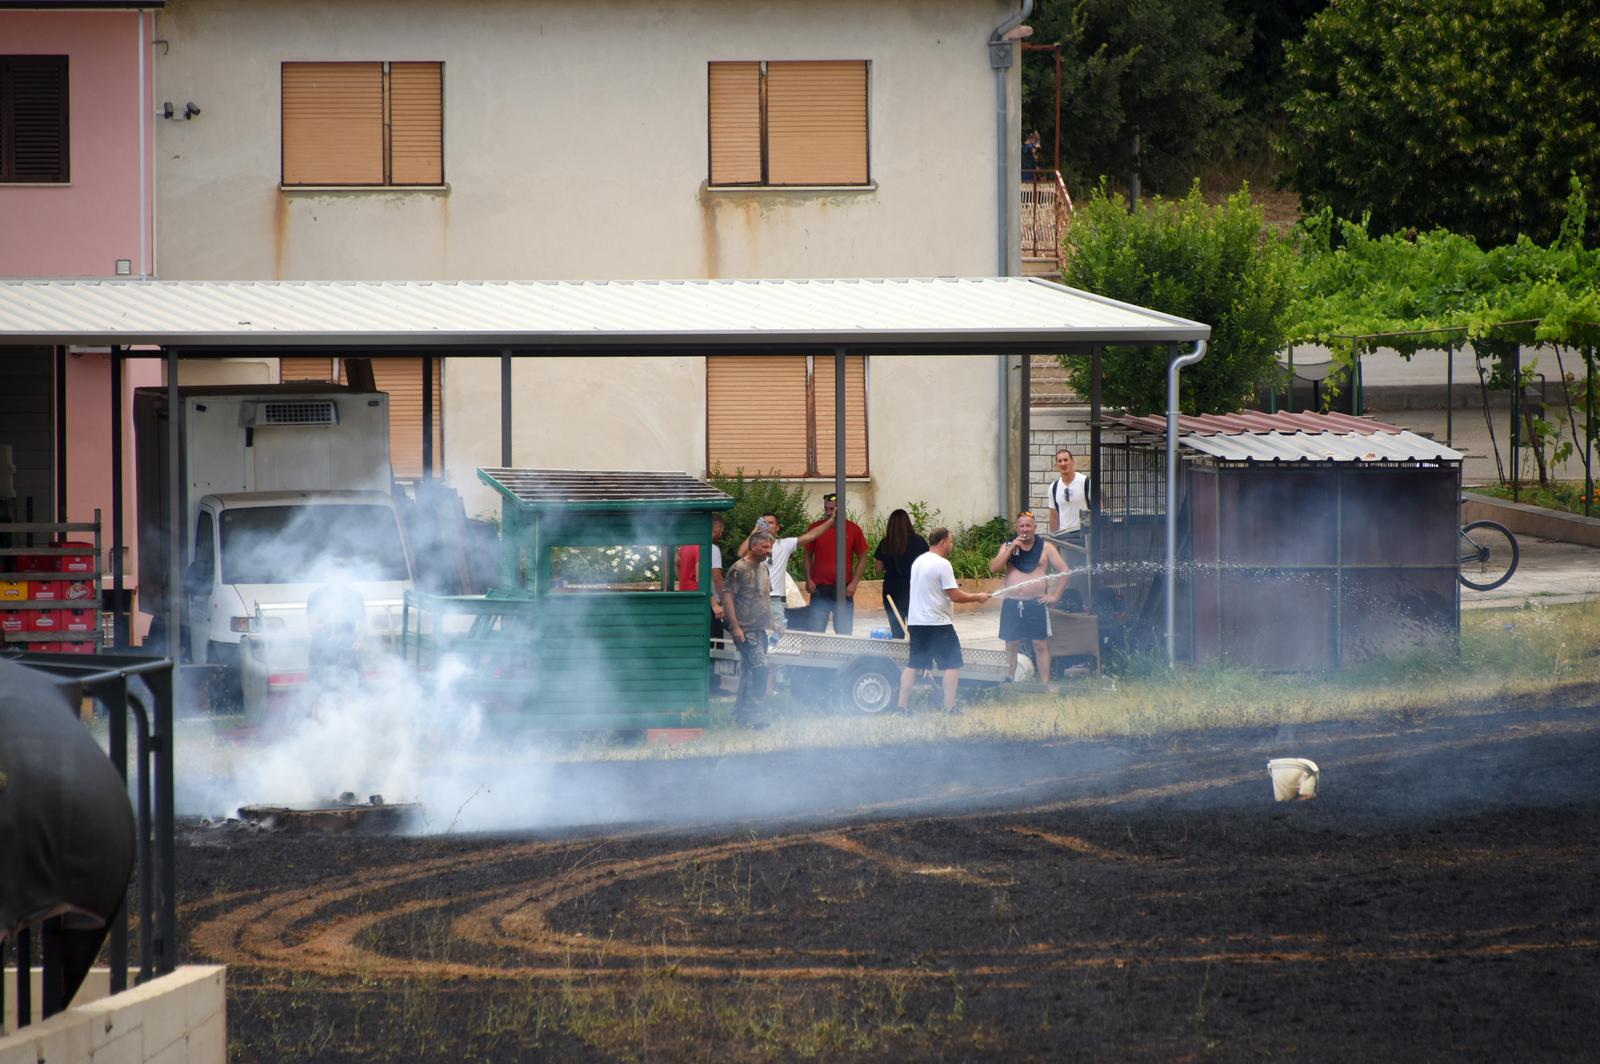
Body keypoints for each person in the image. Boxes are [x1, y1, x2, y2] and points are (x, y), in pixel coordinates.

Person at [897, 527, 990, 713]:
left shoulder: (918, 562)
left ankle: (902, 706)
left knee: (914, 664)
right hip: (938, 623)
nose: (952, 545)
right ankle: (950, 707)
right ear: (942, 542)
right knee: (952, 664)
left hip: (917, 623)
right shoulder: (943, 564)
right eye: (951, 541)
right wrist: (977, 597)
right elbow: (955, 595)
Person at [989, 510, 1069, 683]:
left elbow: (1065, 571)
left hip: (1036, 603)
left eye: (1028, 526)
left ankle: (1044, 685)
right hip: (1012, 602)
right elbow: (993, 568)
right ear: (1017, 528)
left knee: (1040, 645)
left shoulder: (1046, 547)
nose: (1025, 529)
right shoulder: (1008, 546)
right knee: (1011, 645)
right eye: (1021, 526)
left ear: (1035, 527)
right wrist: (1011, 549)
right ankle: (1008, 682)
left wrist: (1055, 596)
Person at [735, 510, 834, 636]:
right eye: (764, 523)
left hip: (775, 599)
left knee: (777, 636)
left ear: (777, 527)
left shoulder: (785, 544)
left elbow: (810, 536)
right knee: (754, 636)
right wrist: (755, 531)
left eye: (771, 523)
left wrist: (831, 521)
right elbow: (740, 553)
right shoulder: (754, 546)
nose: (767, 526)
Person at [721, 531, 776, 727]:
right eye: (765, 547)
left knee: (749, 672)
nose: (768, 552)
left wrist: (773, 620)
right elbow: (727, 597)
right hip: (744, 629)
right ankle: (755, 714)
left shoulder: (763, 569)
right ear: (753, 547)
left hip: (759, 629)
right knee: (760, 668)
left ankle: (740, 714)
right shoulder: (739, 569)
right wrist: (735, 627)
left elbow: (765, 596)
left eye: (770, 547)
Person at [803, 492, 868, 635]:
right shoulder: (815, 528)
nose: (828, 512)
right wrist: (808, 579)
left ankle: (843, 657)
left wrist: (854, 583)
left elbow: (863, 556)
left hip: (844, 588)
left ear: (841, 509)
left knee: (844, 634)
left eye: (831, 509)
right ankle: (812, 656)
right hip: (819, 589)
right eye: (826, 508)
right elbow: (807, 555)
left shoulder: (853, 529)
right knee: (815, 631)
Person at [872, 508, 928, 639]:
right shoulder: (919, 541)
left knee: (897, 629)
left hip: (891, 591)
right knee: (916, 629)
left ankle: (899, 656)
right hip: (914, 590)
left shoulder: (885, 543)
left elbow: (878, 569)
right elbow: (927, 564)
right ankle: (917, 656)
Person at [676, 514, 727, 640]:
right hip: (704, 600)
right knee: (714, 641)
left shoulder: (685, 546)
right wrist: (718, 603)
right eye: (722, 529)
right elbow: (714, 578)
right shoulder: (711, 548)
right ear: (718, 528)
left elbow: (676, 562)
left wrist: (684, 580)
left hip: (686, 597)